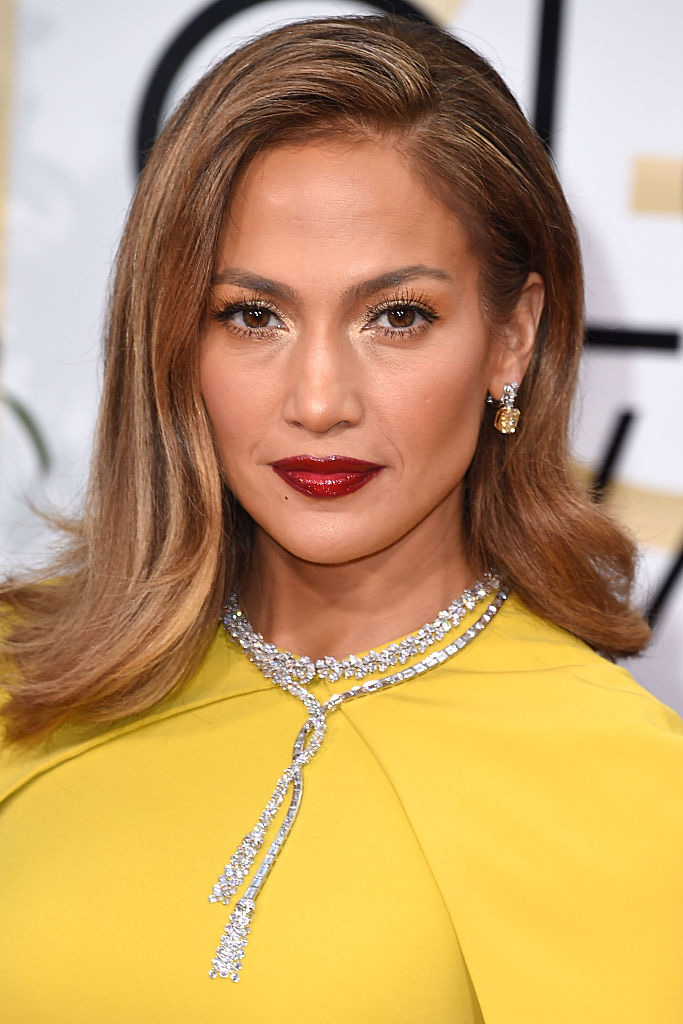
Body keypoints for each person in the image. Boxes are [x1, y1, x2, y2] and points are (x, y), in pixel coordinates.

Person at [1, 14, 682, 1023]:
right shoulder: (28, 678)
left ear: (511, 339)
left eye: (396, 316)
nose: (319, 400)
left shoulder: (628, 788)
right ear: (174, 337)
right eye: (252, 315)